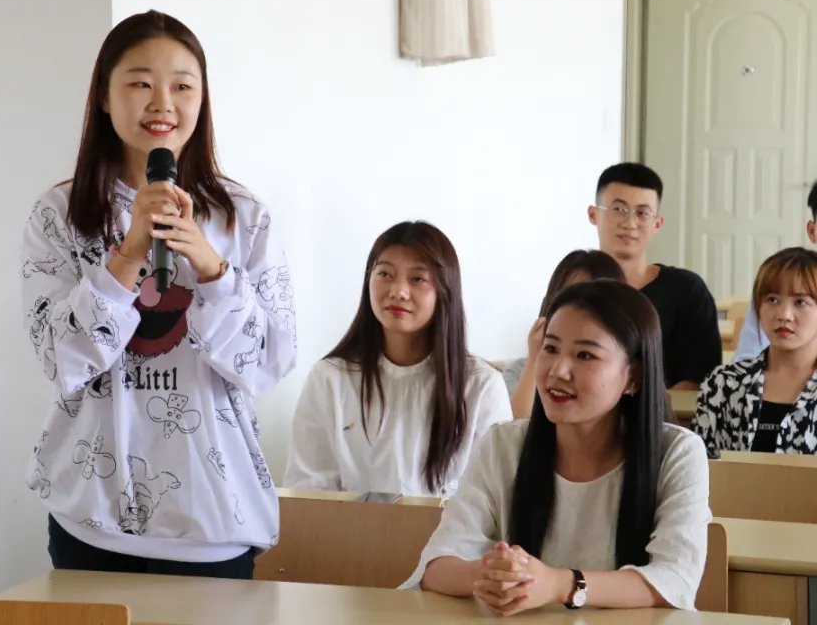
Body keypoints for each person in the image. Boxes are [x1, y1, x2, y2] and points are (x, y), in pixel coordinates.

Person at [19, 10, 297, 579]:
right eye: (141, 83)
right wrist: (127, 255)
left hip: (213, 520)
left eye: (182, 86)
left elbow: (270, 363)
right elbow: (61, 359)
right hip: (92, 516)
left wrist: (212, 267)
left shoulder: (244, 217)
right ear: (104, 96)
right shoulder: (59, 215)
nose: (162, 103)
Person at [400, 280, 711, 613]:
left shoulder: (677, 453)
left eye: (585, 355)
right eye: (550, 348)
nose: (558, 370)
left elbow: (675, 579)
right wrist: (493, 575)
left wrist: (560, 584)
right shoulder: (503, 445)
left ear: (633, 376)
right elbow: (436, 566)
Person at [284, 222, 511, 498]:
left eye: (417, 279)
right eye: (385, 274)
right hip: (347, 528)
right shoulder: (330, 378)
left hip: (450, 528)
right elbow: (308, 491)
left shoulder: (481, 385)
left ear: (445, 290)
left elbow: (493, 498)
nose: (398, 291)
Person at [589, 163, 721, 390]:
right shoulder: (573, 284)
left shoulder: (687, 291)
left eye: (642, 213)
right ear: (593, 215)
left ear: (657, 224)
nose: (630, 223)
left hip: (664, 412)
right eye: (618, 209)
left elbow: (699, 378)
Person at [694, 248, 817, 456]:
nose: (784, 315)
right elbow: (701, 466)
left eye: (800, 302)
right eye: (772, 299)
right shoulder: (723, 384)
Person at [506, 250, 624, 418]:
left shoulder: (623, 373)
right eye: (566, 297)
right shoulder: (519, 370)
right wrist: (534, 360)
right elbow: (515, 427)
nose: (560, 372)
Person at [733, 182, 817, 362]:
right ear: (812, 231)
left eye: (800, 302)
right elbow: (746, 361)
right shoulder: (780, 290)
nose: (785, 314)